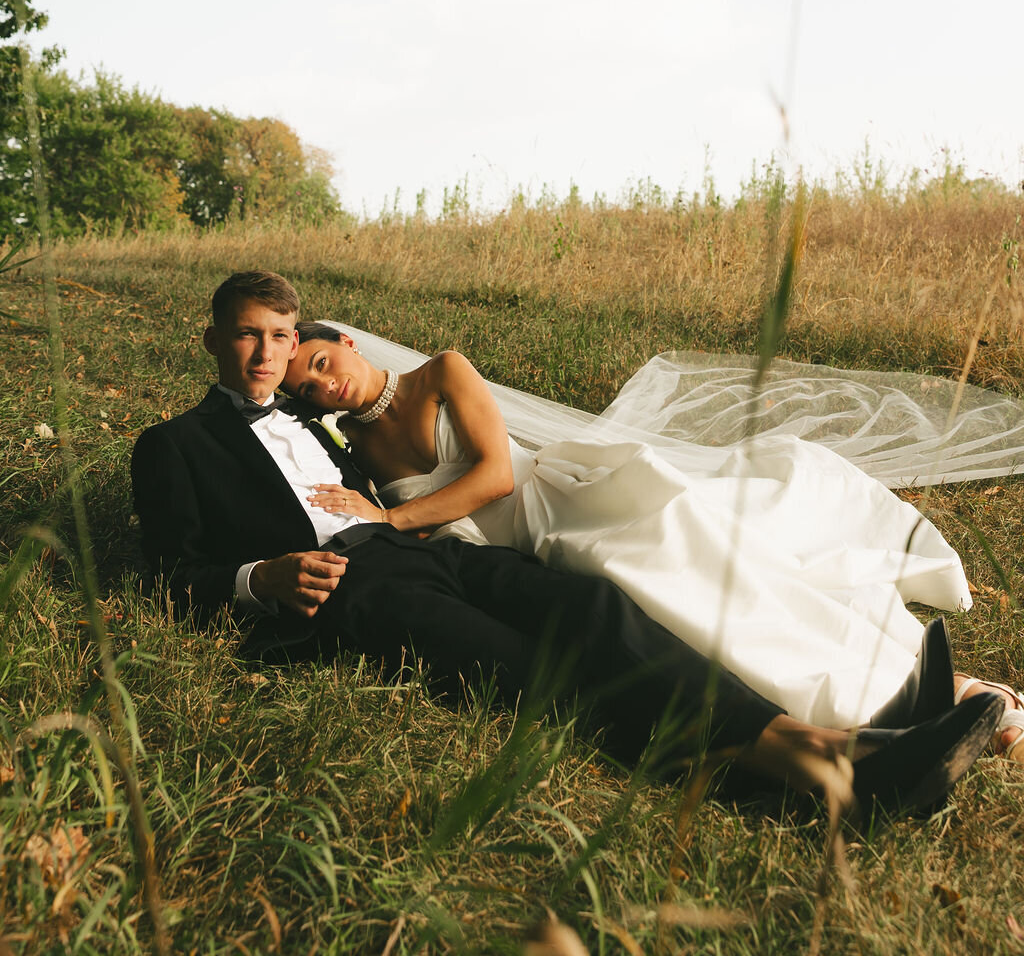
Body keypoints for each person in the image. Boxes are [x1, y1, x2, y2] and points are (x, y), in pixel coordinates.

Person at [131, 269, 1003, 821]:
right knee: (532, 668)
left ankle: (843, 752)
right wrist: (259, 579)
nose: (268, 353)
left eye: (282, 338)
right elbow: (172, 569)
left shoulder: (319, 421)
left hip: (442, 550)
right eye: (248, 334)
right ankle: (819, 770)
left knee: (598, 611)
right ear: (213, 338)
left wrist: (391, 514)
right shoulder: (174, 445)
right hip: (353, 587)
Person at [282, 320, 1024, 752]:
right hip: (530, 552)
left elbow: (495, 479)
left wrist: (389, 518)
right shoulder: (355, 451)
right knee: (682, 626)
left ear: (347, 342)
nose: (324, 382)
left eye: (322, 362)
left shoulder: (442, 372)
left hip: (580, 502)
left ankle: (939, 687)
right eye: (307, 388)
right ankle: (880, 714)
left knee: (724, 584)